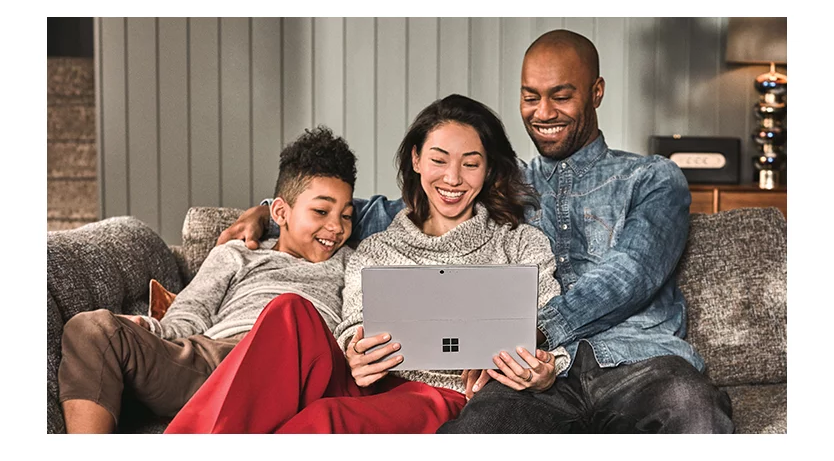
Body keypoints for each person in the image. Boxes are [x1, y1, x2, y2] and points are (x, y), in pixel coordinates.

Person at [219, 29, 734, 434]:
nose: (544, 111)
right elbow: (400, 208)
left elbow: (632, 273)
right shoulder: (508, 184)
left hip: (631, 361)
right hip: (522, 375)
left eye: (562, 96)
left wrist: (538, 332)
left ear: (596, 92)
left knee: (693, 408)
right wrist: (271, 210)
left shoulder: (652, 178)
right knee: (472, 432)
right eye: (531, 96)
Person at [163, 94, 571, 434]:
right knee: (289, 309)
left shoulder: (521, 245)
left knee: (327, 417)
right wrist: (355, 347)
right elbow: (351, 323)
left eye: (470, 162)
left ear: (488, 169)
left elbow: (555, 328)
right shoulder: (376, 249)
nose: (453, 178)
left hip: (440, 396)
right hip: (366, 381)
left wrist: (544, 367)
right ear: (416, 159)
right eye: (439, 159)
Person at [57, 126, 357, 433]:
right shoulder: (237, 254)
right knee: (91, 328)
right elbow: (192, 312)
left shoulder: (353, 263)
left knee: (289, 311)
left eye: (346, 215)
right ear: (280, 211)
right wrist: (151, 328)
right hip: (216, 362)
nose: (336, 227)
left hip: (294, 371)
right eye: (321, 211)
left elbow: (354, 326)